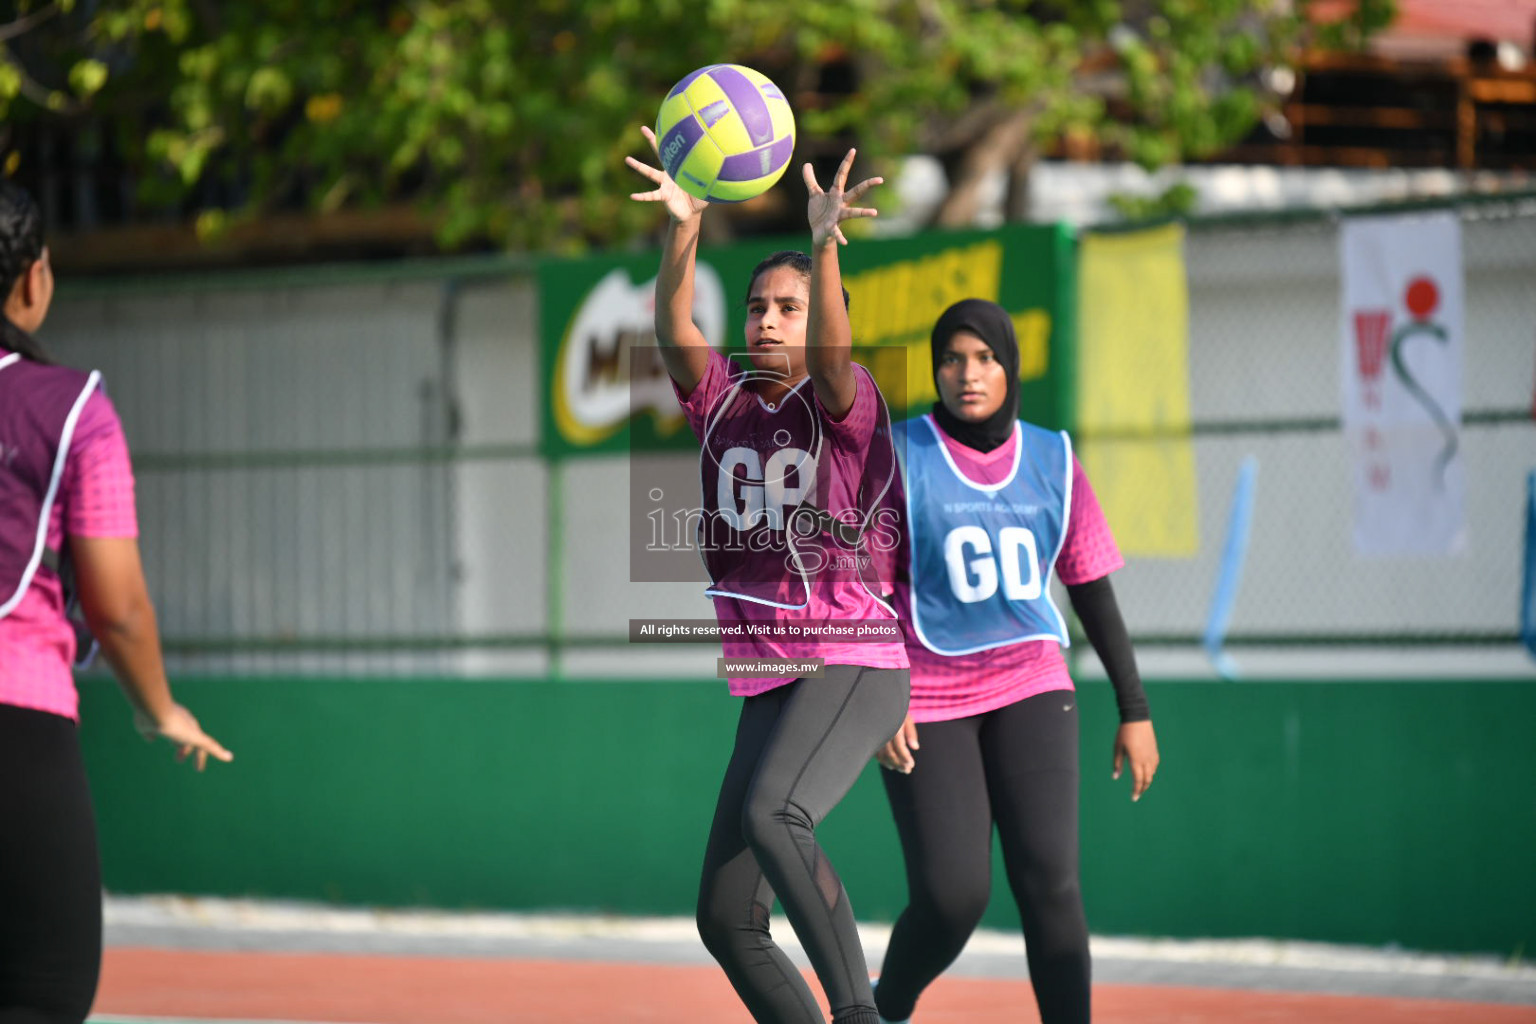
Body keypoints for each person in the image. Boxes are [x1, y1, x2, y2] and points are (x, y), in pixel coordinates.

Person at [627, 134, 909, 1024]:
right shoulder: (720, 404)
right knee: (725, 917)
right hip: (774, 674)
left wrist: (822, 243)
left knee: (775, 812)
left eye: (787, 307)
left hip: (851, 652)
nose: (767, 321)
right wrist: (686, 226)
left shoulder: (842, 398)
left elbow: (830, 354)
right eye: (756, 307)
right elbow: (673, 331)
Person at [871, 299, 1159, 1024]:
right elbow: (862, 591)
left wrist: (1135, 709)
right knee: (951, 896)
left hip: (1031, 682)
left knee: (1051, 883)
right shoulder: (899, 455)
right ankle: (878, 1011)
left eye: (985, 358)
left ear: (1010, 366)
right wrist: (880, 695)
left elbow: (1091, 589)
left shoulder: (1053, 459)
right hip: (927, 697)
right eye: (951, 359)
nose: (966, 374)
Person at [0, 180, 232, 1024]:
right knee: (42, 995)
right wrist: (159, 709)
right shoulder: (69, 408)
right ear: (33, 280)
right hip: (17, 724)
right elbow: (117, 606)